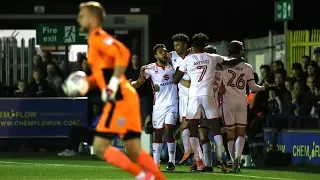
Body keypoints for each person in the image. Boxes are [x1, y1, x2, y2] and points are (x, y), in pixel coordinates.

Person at [64, 2, 165, 180]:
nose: (79, 19)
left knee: (100, 145)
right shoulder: (93, 41)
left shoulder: (98, 38)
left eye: (82, 15)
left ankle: (142, 175)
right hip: (127, 96)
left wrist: (112, 84)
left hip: (119, 98)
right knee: (133, 149)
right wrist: (85, 83)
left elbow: (124, 53)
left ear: (93, 18)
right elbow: (101, 74)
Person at [131, 44, 189, 171]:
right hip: (158, 107)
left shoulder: (173, 67)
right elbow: (139, 83)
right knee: (157, 135)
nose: (164, 53)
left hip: (172, 104)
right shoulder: (149, 69)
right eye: (161, 52)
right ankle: (155, 163)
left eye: (165, 51)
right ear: (155, 56)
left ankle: (171, 162)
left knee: (169, 131)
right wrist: (130, 84)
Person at [173, 33, 226, 171]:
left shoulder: (188, 60)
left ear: (191, 45)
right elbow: (229, 62)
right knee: (214, 130)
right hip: (209, 98)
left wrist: (188, 80)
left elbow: (175, 79)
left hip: (193, 97)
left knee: (192, 131)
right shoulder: (214, 59)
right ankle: (219, 160)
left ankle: (199, 162)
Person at [220, 40, 268, 173]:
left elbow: (218, 84)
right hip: (242, 102)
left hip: (227, 102)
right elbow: (253, 87)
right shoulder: (247, 67)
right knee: (240, 133)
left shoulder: (223, 65)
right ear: (240, 51)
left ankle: (232, 159)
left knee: (230, 134)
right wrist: (263, 87)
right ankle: (238, 160)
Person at [169, 33, 193, 165]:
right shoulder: (171, 56)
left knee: (196, 126)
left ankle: (195, 155)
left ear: (185, 44)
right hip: (182, 96)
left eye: (178, 44)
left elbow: (189, 81)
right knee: (185, 125)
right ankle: (189, 153)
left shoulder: (193, 56)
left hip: (195, 95)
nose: (176, 47)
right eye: (174, 45)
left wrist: (180, 81)